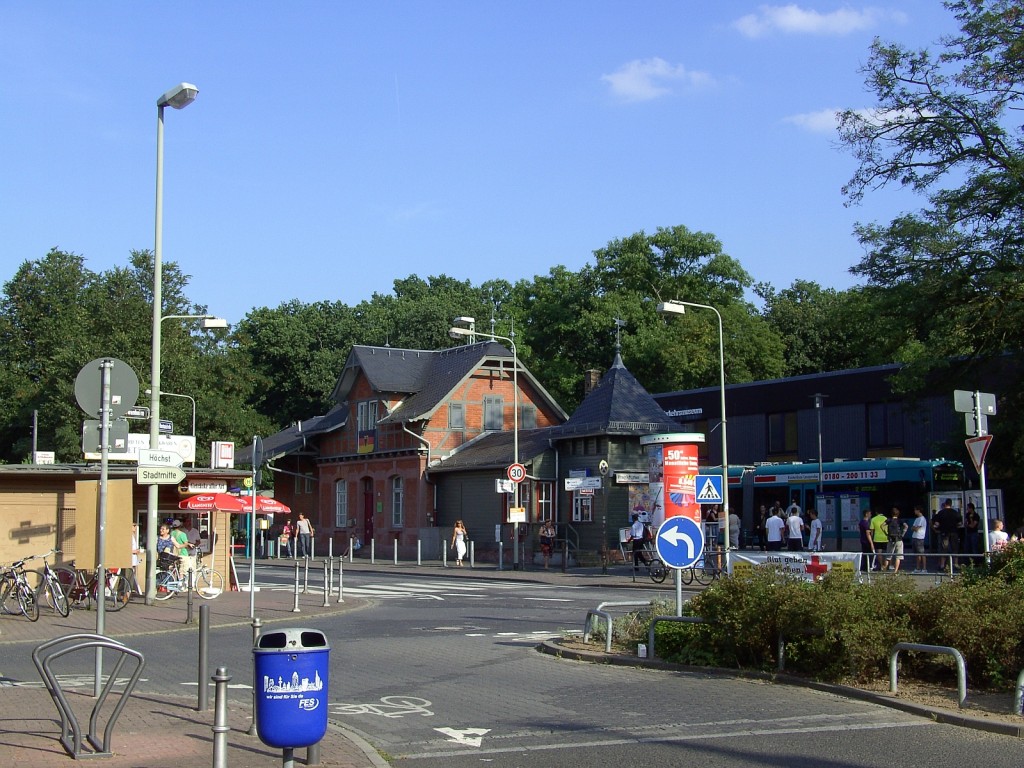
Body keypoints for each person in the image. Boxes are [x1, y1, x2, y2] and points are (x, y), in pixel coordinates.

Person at [932, 498, 962, 572]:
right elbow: (960, 524)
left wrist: (936, 528)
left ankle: (942, 565)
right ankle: (956, 564)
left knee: (944, 549)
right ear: (951, 504)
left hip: (944, 533)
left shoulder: (941, 513)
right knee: (955, 548)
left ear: (945, 504)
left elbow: (936, 524)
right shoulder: (955, 513)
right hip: (954, 532)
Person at [883, 507, 908, 572]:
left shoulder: (889, 520)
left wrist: (886, 533)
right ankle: (895, 571)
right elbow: (906, 526)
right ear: (898, 514)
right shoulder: (900, 520)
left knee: (888, 556)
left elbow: (881, 525)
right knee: (898, 556)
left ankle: (885, 570)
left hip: (891, 539)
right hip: (899, 539)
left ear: (891, 514)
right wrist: (903, 534)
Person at [170, 519, 194, 584]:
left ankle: (174, 583)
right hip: (182, 554)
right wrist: (189, 544)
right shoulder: (182, 534)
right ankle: (181, 585)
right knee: (182, 571)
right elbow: (185, 544)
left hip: (174, 554)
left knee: (175, 570)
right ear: (180, 526)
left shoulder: (171, 533)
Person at [910, 506, 928, 573]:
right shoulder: (917, 519)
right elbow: (912, 528)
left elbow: (916, 529)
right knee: (917, 554)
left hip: (919, 537)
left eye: (915, 510)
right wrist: (914, 528)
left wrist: (914, 528)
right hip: (915, 537)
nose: (914, 511)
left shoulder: (922, 519)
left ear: (918, 510)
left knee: (922, 553)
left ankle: (924, 568)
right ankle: (918, 568)